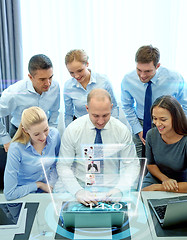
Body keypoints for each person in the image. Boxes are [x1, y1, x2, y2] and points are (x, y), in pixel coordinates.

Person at [56, 88, 139, 206]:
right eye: (95, 116)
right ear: (87, 109)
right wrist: (77, 191)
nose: (100, 121)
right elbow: (63, 166)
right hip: (81, 187)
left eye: (105, 115)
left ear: (111, 107)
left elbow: (132, 165)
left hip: (112, 189)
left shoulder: (121, 130)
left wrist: (120, 189)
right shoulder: (73, 130)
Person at [121, 45, 187, 158]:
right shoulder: (128, 79)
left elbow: (185, 105)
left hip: (167, 123)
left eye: (147, 71)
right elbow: (127, 106)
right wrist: (138, 130)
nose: (142, 75)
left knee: (165, 160)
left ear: (158, 66)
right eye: (139, 70)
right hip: (141, 123)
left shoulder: (174, 78)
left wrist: (176, 126)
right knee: (139, 161)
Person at [0, 54, 60, 152]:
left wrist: (50, 133)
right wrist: (5, 139)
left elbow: (54, 111)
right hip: (20, 134)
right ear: (30, 77)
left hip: (43, 134)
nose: (48, 83)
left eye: (50, 77)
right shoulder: (14, 92)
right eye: (42, 79)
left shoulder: (55, 86)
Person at [4, 106, 61, 200]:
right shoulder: (16, 148)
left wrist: (51, 185)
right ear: (25, 131)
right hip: (23, 194)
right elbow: (9, 194)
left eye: (46, 130)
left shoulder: (54, 135)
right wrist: (38, 185)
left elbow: (57, 164)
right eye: (36, 134)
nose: (43, 137)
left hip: (47, 192)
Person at [142, 95, 187, 192]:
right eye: (155, 118)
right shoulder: (151, 134)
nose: (157, 124)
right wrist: (165, 179)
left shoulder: (185, 140)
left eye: (163, 119)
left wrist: (159, 187)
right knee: (141, 198)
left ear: (176, 118)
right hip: (157, 177)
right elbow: (151, 164)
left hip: (182, 184)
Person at [63, 49, 119, 127]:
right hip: (80, 126)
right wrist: (69, 132)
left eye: (80, 70)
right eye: (71, 72)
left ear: (87, 64)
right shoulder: (68, 86)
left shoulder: (103, 81)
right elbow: (68, 114)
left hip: (103, 123)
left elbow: (114, 107)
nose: (76, 76)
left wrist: (112, 127)